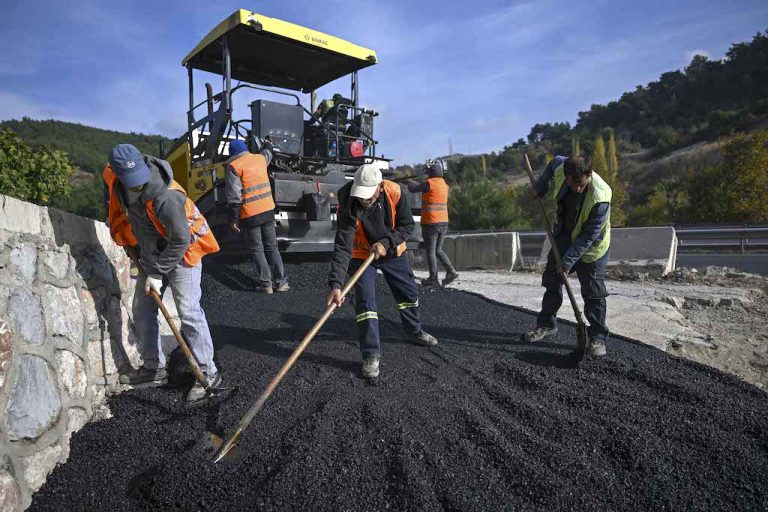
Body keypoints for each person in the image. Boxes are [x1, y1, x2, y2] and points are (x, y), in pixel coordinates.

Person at [103, 144, 221, 402]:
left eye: (139, 178)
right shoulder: (114, 178)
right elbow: (115, 200)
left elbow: (180, 240)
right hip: (151, 253)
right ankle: (154, 367)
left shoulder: (166, 196)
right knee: (142, 309)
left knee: (188, 311)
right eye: (130, 180)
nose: (137, 184)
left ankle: (208, 373)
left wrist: (156, 274)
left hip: (184, 252)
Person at [326, 164, 438, 378]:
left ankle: (414, 331)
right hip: (362, 255)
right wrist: (336, 284)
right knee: (365, 303)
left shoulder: (394, 192)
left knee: (408, 294)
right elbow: (342, 247)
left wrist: (386, 242)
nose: (363, 199)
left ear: (379, 186)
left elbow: (407, 226)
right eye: (360, 195)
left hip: (392, 251)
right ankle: (370, 355)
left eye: (368, 195)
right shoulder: (347, 203)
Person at [525, 156, 612, 357]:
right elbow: (553, 162)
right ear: (566, 176)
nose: (577, 189)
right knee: (552, 280)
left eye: (581, 184)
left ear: (589, 174)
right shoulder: (561, 167)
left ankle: (598, 337)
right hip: (564, 236)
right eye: (572, 184)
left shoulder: (600, 197)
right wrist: (541, 187)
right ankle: (547, 324)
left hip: (592, 247)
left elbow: (588, 236)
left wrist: (567, 261)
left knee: (593, 292)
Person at [225, 139, 288, 294]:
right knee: (272, 247)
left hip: (250, 214)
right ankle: (281, 283)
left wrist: (233, 220)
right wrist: (268, 144)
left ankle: (266, 284)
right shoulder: (260, 159)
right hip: (267, 210)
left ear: (232, 153)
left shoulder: (233, 167)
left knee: (257, 249)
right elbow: (268, 152)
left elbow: (234, 197)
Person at [408, 159, 458, 287]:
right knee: (438, 250)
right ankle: (450, 271)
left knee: (430, 251)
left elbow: (413, 189)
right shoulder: (444, 184)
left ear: (431, 171)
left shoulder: (429, 183)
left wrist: (409, 182)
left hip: (431, 222)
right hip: (443, 222)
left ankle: (433, 279)